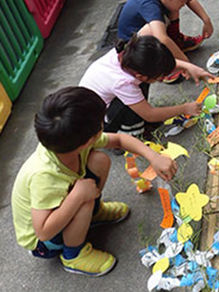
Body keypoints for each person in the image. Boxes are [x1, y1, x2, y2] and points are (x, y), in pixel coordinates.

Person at [11, 87, 177, 276]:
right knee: (83, 197)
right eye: (101, 124)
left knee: (99, 160)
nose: (103, 126)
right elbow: (43, 232)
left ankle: (94, 214)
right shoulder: (44, 176)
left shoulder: (67, 142)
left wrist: (153, 157)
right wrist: (77, 197)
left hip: (59, 209)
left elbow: (120, 140)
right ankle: (73, 255)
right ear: (89, 139)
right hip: (43, 243)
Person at [80, 34, 212, 137]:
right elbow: (150, 114)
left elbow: (157, 61)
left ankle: (136, 119)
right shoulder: (122, 83)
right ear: (140, 76)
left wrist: (187, 66)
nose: (163, 79)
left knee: (138, 92)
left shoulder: (129, 55)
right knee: (131, 105)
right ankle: (130, 133)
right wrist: (184, 108)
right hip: (99, 124)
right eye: (160, 77)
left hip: (99, 103)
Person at [117, 0, 213, 82]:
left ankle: (176, 43)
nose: (184, 5)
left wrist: (206, 20)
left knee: (174, 8)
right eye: (182, 2)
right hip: (132, 50)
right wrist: (188, 65)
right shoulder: (149, 5)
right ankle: (161, 64)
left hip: (146, 39)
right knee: (155, 30)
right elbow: (161, 38)